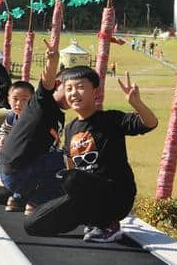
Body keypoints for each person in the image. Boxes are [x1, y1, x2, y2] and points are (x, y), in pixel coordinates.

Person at [24, 68, 158, 243]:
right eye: (69, 88)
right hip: (84, 192)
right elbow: (69, 163)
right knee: (33, 224)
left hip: (116, 195)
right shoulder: (70, 128)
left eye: (80, 87)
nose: (73, 93)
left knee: (72, 178)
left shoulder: (111, 119)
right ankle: (91, 219)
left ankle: (108, 224)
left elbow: (150, 123)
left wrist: (136, 103)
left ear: (96, 91)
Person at [0, 39, 68, 216]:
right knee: (74, 162)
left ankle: (18, 198)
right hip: (15, 170)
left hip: (18, 170)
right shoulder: (42, 103)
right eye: (70, 89)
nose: (75, 95)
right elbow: (46, 85)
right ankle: (38, 200)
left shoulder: (58, 114)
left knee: (55, 159)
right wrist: (52, 62)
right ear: (58, 86)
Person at [0, 81, 35, 212]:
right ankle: (19, 192)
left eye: (24, 99)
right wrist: (2, 139)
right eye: (15, 99)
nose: (19, 103)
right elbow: (2, 131)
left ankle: (35, 197)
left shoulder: (35, 118)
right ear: (8, 99)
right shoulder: (12, 116)